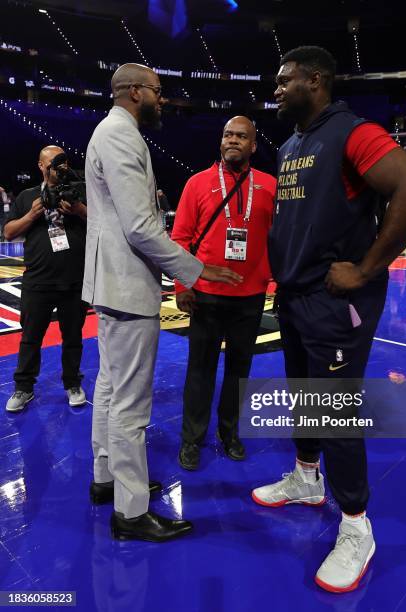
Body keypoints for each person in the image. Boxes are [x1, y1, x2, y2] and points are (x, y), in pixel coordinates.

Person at [251, 46, 406, 593]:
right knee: (304, 395)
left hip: (337, 300)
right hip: (295, 295)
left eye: (286, 80)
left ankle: (356, 524)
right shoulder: (289, 145)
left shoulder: (355, 132)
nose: (277, 88)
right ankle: (307, 479)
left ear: (318, 79)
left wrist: (365, 268)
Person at [83, 63, 242, 543]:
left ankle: (107, 478)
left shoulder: (111, 131)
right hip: (127, 287)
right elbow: (139, 227)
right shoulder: (121, 135)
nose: (162, 99)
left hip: (111, 284)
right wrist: (194, 268)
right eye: (157, 91)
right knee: (131, 404)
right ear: (135, 92)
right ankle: (130, 512)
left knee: (111, 388)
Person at [172, 116, 276, 470]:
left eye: (241, 136)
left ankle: (230, 433)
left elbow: (278, 240)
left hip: (250, 296)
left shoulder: (269, 186)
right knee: (199, 372)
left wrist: (274, 280)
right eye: (228, 134)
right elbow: (180, 238)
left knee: (239, 372)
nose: (233, 140)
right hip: (205, 295)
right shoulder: (197, 183)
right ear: (221, 141)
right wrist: (182, 284)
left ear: (253, 145)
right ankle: (192, 439)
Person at [3, 146, 88, 412]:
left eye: (63, 163)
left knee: (73, 336)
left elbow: (103, 223)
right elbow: (8, 233)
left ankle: (72, 383)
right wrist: (31, 214)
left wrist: (79, 210)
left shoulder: (80, 193)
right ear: (41, 166)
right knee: (30, 337)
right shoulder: (28, 195)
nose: (60, 168)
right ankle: (24, 387)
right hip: (37, 281)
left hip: (75, 280)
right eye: (53, 163)